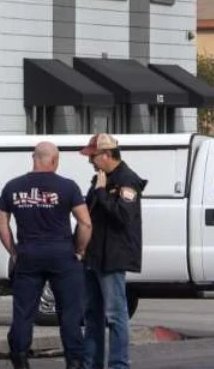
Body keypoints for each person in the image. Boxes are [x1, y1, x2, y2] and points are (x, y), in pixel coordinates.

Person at [0, 141, 92, 369]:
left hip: (28, 254)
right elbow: (86, 223)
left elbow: (0, 223)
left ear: (34, 157)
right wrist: (79, 250)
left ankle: (19, 358)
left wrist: (14, 251)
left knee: (23, 312)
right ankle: (74, 361)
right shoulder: (68, 187)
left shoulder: (13, 187)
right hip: (62, 255)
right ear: (55, 160)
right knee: (69, 313)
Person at [80, 133, 147, 369]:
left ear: (107, 155)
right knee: (91, 314)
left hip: (112, 256)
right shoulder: (100, 178)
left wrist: (100, 192)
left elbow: (123, 216)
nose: (90, 162)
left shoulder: (127, 181)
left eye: (93, 157)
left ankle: (119, 364)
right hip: (93, 255)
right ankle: (91, 363)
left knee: (115, 315)